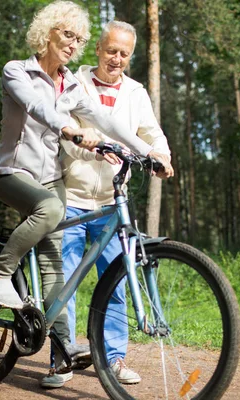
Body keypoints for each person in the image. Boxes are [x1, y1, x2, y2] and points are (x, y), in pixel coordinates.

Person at [0, 1, 165, 377]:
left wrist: (150, 152)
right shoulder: (18, 71)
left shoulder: (72, 84)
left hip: (50, 180)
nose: (72, 44)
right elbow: (36, 107)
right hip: (14, 173)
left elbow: (107, 121)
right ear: (47, 31)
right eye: (68, 34)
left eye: (78, 38)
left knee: (54, 274)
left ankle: (64, 350)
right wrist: (68, 128)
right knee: (51, 212)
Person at [40, 20, 174, 389]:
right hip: (71, 196)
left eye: (124, 54)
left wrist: (160, 153)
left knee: (114, 283)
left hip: (113, 202)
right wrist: (84, 143)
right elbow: (60, 126)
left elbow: (149, 131)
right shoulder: (74, 82)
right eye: (111, 50)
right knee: (62, 283)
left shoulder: (136, 92)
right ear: (98, 48)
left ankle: (112, 360)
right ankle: (60, 360)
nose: (117, 59)